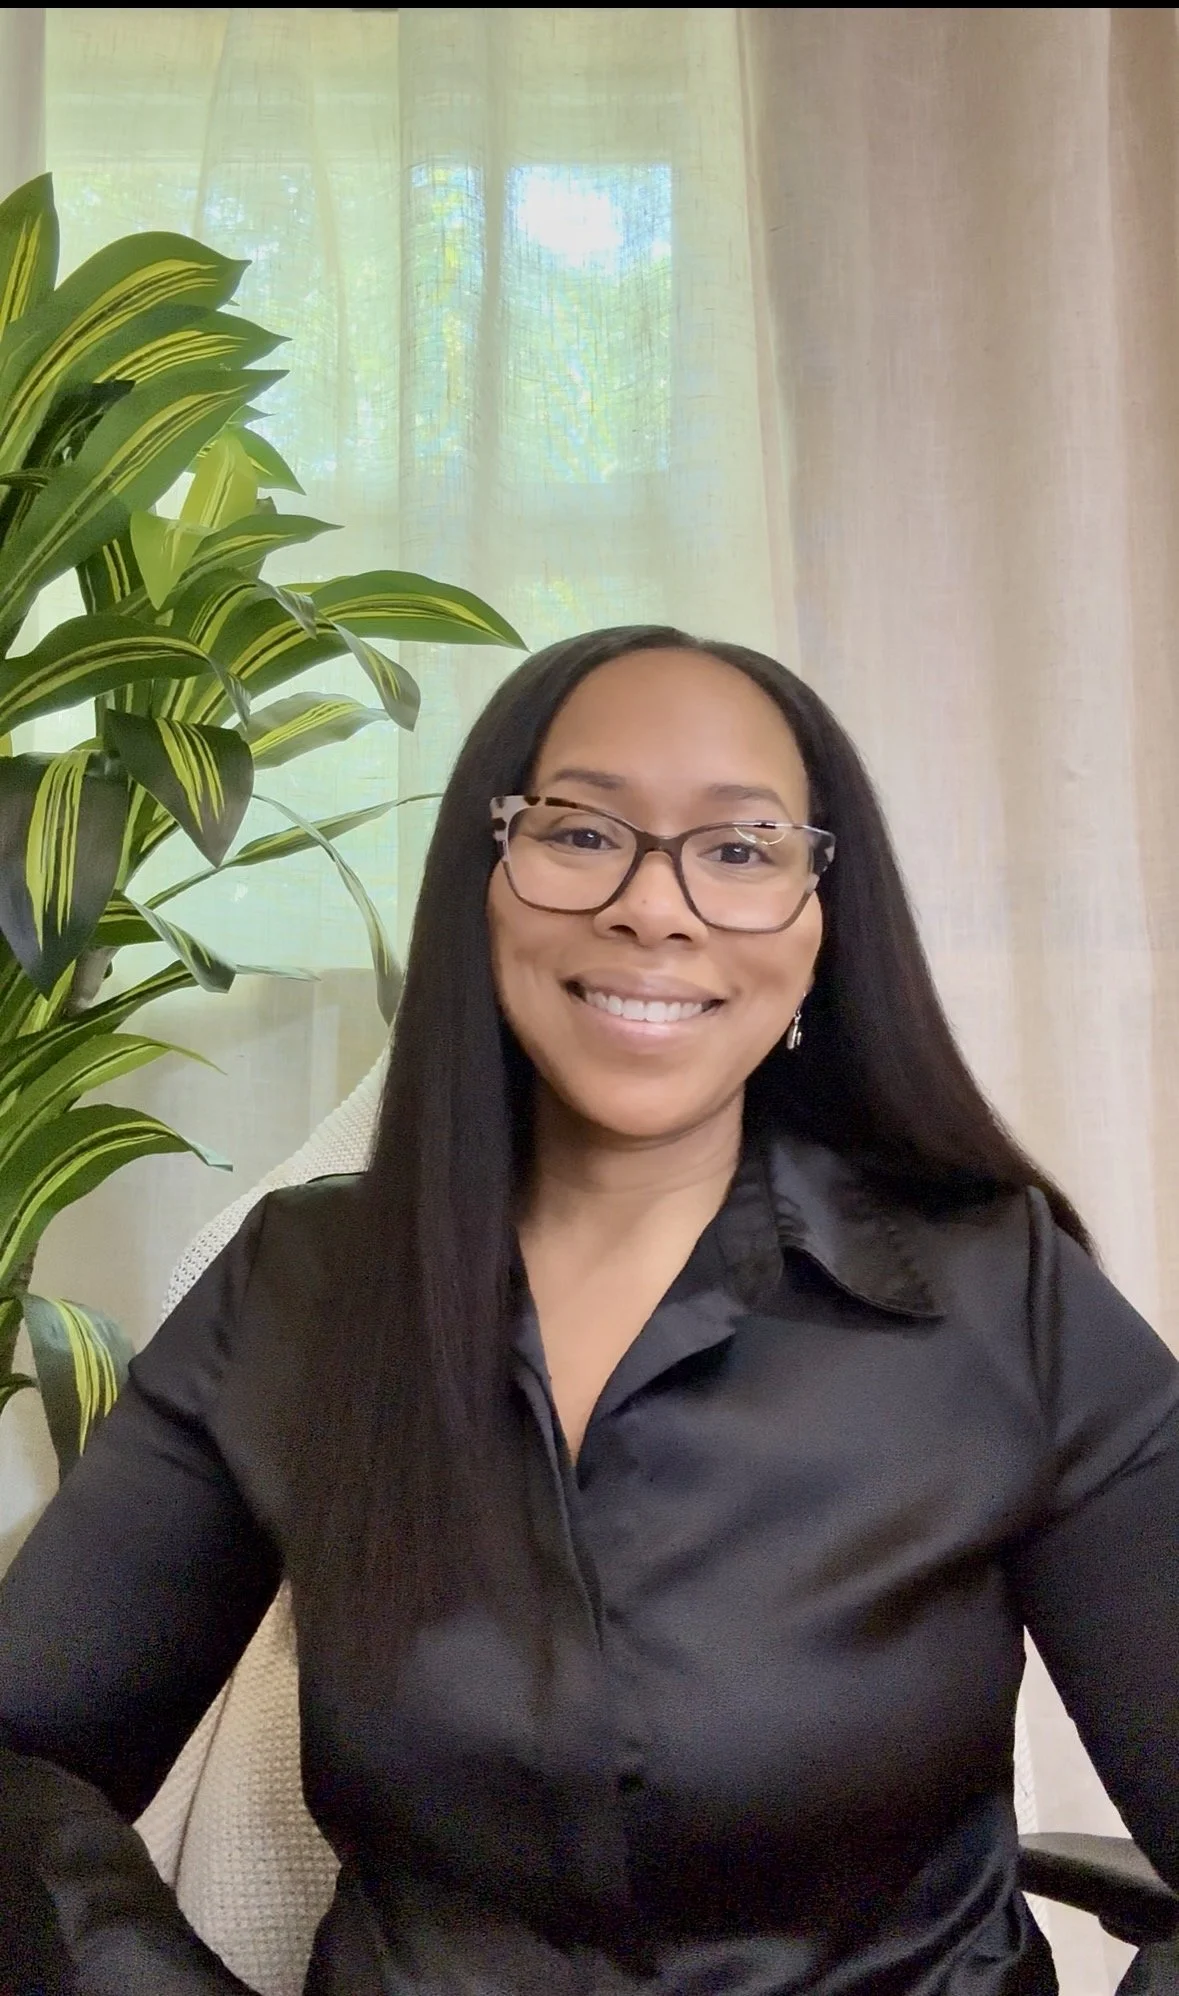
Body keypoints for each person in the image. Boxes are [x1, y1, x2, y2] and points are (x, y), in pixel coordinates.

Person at [0, 625, 1176, 1996]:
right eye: (580, 833)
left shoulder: (1005, 1300)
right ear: (480, 883)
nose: (654, 906)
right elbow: (24, 1757)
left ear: (817, 924)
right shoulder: (300, 1293)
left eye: (739, 851)